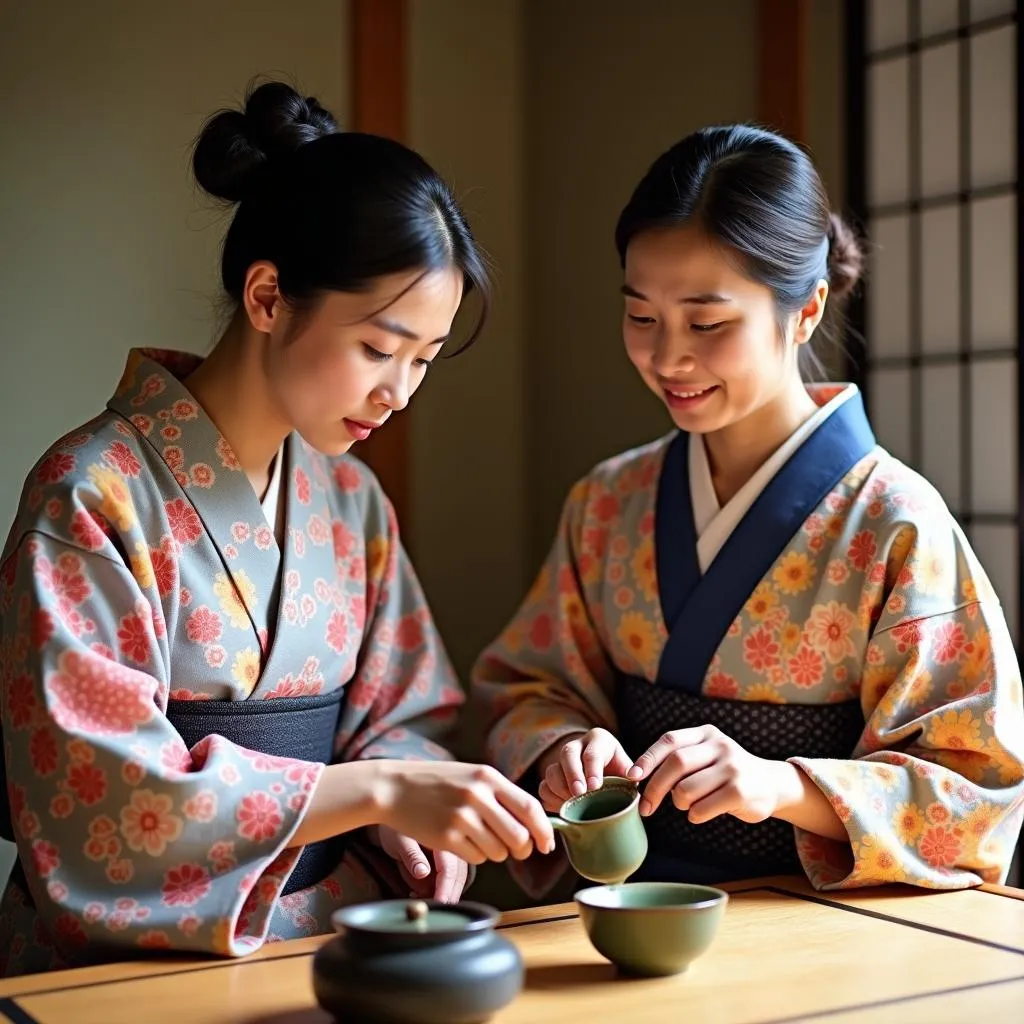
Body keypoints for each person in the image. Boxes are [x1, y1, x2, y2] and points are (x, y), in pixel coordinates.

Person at [0, 80, 553, 976]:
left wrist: (416, 811)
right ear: (266, 297)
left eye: (423, 360)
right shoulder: (90, 494)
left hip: (345, 946)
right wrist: (372, 790)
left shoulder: (352, 501)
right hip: (131, 968)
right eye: (378, 348)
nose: (399, 392)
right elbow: (95, 799)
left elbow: (405, 717)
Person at [472, 124, 1024, 897]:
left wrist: (780, 787)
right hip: (624, 907)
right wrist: (562, 746)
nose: (668, 358)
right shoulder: (606, 504)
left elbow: (975, 791)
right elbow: (525, 685)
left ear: (805, 312)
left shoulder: (896, 524)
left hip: (820, 923)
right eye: (641, 317)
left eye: (707, 323)